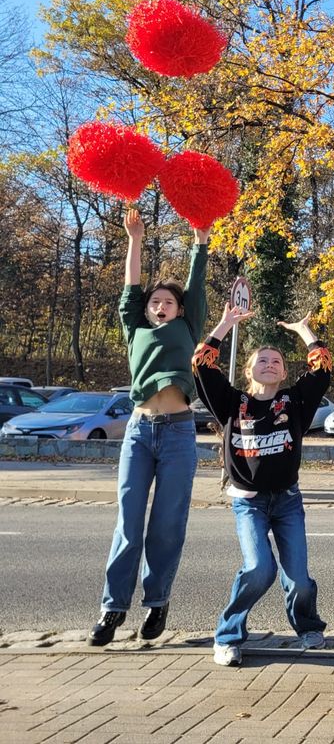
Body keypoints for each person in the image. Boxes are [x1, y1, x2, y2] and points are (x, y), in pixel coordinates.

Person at [89, 208, 209, 647]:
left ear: (180, 310)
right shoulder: (135, 327)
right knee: (128, 521)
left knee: (167, 523)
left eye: (168, 302)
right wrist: (134, 239)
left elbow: (196, 288)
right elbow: (130, 288)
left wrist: (200, 240)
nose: (160, 306)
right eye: (156, 301)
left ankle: (157, 602)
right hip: (139, 431)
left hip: (178, 432)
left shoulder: (188, 325)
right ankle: (112, 609)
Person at [192, 306, 332, 667]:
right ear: (248, 370)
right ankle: (227, 636)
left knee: (298, 579)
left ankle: (308, 627)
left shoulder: (295, 402)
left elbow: (323, 367)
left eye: (276, 361)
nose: (269, 364)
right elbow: (202, 365)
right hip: (249, 503)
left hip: (287, 501)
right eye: (262, 360)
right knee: (259, 569)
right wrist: (225, 324)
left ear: (284, 371)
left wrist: (304, 331)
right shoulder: (233, 403)